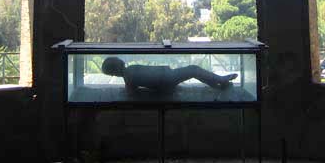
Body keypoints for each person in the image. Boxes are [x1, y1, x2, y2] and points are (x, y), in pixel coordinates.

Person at [100, 56, 237, 91]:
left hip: (165, 78)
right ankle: (219, 80)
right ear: (116, 67)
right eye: (117, 60)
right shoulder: (129, 74)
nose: (120, 59)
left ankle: (217, 84)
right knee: (193, 69)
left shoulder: (129, 76)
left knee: (193, 71)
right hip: (166, 79)